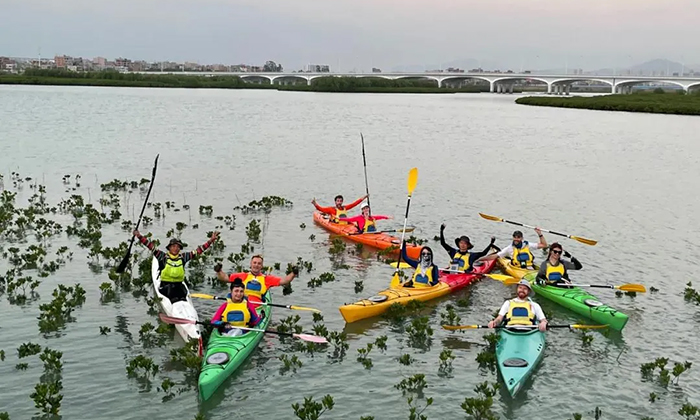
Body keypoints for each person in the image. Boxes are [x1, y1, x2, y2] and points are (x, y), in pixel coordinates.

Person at [134, 229, 219, 303]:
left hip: (178, 286)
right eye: (174, 246)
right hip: (166, 287)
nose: (176, 248)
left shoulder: (184, 257)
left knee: (182, 295)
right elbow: (150, 246)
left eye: (178, 247)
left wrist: (211, 240)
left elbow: (199, 250)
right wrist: (139, 236)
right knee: (172, 293)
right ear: (169, 248)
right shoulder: (162, 256)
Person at [214, 254, 297, 304]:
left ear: (261, 266)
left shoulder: (266, 279)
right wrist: (219, 271)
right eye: (254, 263)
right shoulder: (243, 276)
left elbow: (284, 281)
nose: (256, 265)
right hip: (241, 304)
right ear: (251, 264)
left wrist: (294, 273)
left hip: (257, 308)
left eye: (259, 263)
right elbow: (224, 278)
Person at [476, 228, 547, 270]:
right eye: (515, 237)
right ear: (513, 237)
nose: (516, 239)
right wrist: (479, 259)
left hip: (530, 269)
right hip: (517, 270)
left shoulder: (528, 245)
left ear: (522, 238)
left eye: (518, 237)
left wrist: (539, 234)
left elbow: (544, 245)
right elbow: (495, 256)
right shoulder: (509, 248)